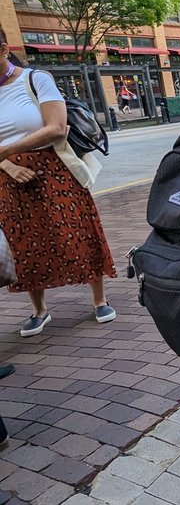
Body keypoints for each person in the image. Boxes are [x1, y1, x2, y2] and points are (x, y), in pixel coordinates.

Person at [0, 28, 116, 336]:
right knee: (22, 242)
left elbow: (57, 128)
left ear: (3, 50)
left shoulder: (35, 80)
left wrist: (8, 149)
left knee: (79, 230)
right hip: (8, 177)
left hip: (53, 168)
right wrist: (7, 165)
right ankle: (39, 310)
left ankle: (99, 299)